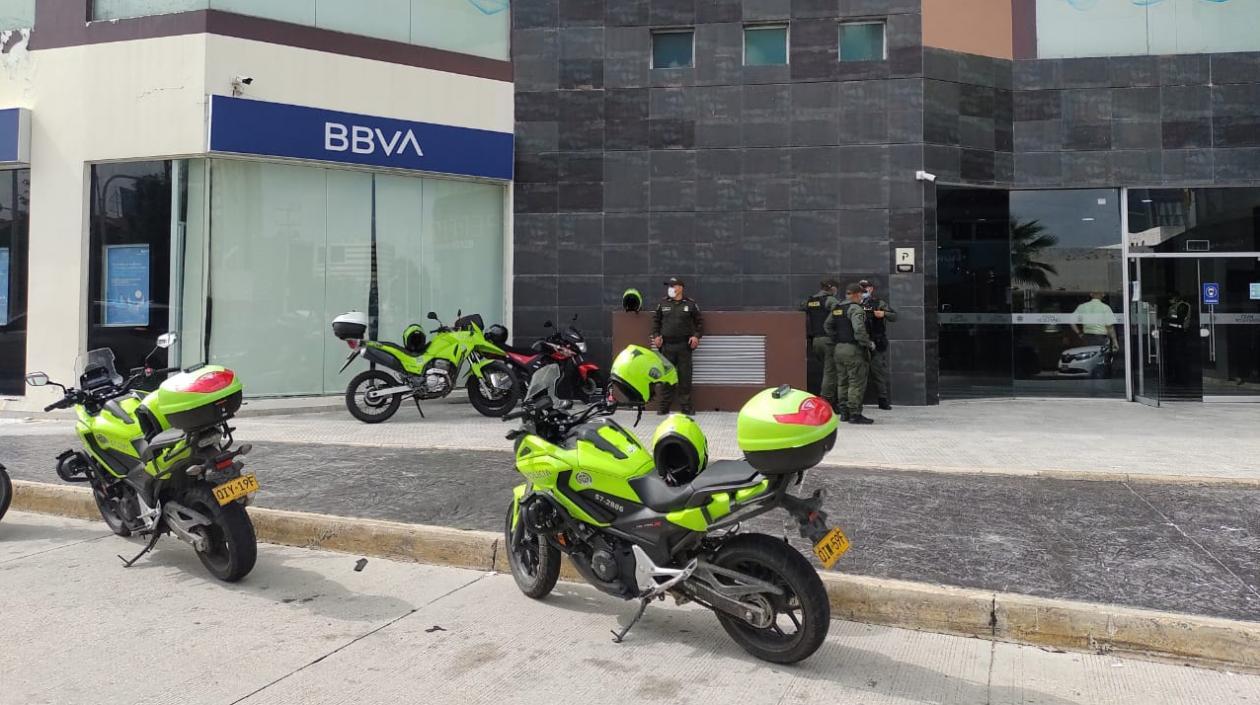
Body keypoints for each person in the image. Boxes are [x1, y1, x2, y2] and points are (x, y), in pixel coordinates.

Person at [825, 283, 875, 425]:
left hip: (839, 349)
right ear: (857, 294)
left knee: (842, 382)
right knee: (856, 382)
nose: (862, 297)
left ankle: (844, 413)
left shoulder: (837, 308)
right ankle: (855, 414)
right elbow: (859, 330)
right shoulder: (855, 309)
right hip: (853, 350)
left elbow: (827, 325)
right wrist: (868, 343)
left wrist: (837, 338)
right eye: (861, 295)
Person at [651, 277, 703, 415]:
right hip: (667, 347)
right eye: (669, 286)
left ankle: (686, 407)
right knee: (667, 377)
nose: (670, 288)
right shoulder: (662, 304)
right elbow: (656, 321)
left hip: (684, 347)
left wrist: (696, 336)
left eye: (672, 286)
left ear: (680, 288)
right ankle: (664, 407)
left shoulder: (690, 304)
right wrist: (656, 336)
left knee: (685, 377)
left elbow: (699, 323)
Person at [860, 279, 898, 411]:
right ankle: (855, 402)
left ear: (872, 289)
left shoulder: (878, 303)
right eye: (862, 288)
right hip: (860, 344)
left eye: (867, 287)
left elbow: (894, 316)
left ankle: (883, 400)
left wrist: (883, 314)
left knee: (878, 373)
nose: (865, 290)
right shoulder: (853, 303)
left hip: (877, 341)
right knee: (858, 375)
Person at [801, 279, 840, 405]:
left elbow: (802, 308)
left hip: (816, 340)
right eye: (836, 288)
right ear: (832, 288)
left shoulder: (810, 300)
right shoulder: (831, 300)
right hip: (828, 340)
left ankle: (829, 398)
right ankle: (826, 401)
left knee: (827, 370)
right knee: (830, 371)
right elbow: (839, 314)